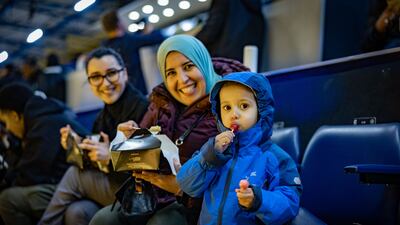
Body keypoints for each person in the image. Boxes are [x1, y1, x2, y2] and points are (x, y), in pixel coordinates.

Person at [89, 35, 250, 225]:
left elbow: (239, 176)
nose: (182, 79)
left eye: (189, 66)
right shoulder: (159, 102)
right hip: (152, 196)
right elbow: (142, 156)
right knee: (102, 220)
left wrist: (183, 188)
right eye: (171, 73)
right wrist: (126, 143)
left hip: (202, 204)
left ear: (202, 62)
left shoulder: (231, 103)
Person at [38, 47, 149, 225]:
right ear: (90, 82)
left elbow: (149, 162)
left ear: (125, 74)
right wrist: (77, 145)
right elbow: (96, 160)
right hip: (114, 185)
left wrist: (112, 157)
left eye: (111, 73)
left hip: (139, 191)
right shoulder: (102, 117)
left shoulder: (143, 108)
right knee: (77, 212)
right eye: (96, 77)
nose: (105, 83)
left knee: (75, 175)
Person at [176, 71, 302, 225]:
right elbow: (187, 185)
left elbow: (290, 202)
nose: (233, 114)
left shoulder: (274, 156)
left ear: (261, 110)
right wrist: (209, 158)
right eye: (226, 107)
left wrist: (258, 200)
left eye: (243, 106)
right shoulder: (213, 150)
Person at [0, 82, 87, 225]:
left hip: (74, 189)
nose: (7, 128)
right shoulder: (45, 116)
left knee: (7, 199)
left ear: (15, 116)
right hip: (67, 184)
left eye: (5, 122)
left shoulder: (43, 125)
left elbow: (31, 174)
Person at [101, 10, 166, 95]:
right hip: (137, 93)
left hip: (117, 94)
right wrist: (151, 29)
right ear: (119, 23)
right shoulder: (129, 40)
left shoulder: (104, 47)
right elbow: (158, 37)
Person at [195, 0, 265, 70]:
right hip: (250, 56)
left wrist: (191, 43)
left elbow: (212, 28)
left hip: (224, 56)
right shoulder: (256, 6)